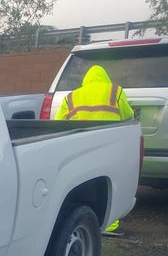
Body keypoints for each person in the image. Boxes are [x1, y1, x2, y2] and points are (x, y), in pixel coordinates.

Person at [56, 64, 134, 235]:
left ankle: (85, 221)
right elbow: (129, 118)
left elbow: (58, 123)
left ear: (86, 79)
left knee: (84, 184)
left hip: (81, 148)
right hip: (110, 145)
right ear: (105, 77)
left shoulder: (72, 97)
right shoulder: (116, 92)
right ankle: (111, 225)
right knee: (111, 183)